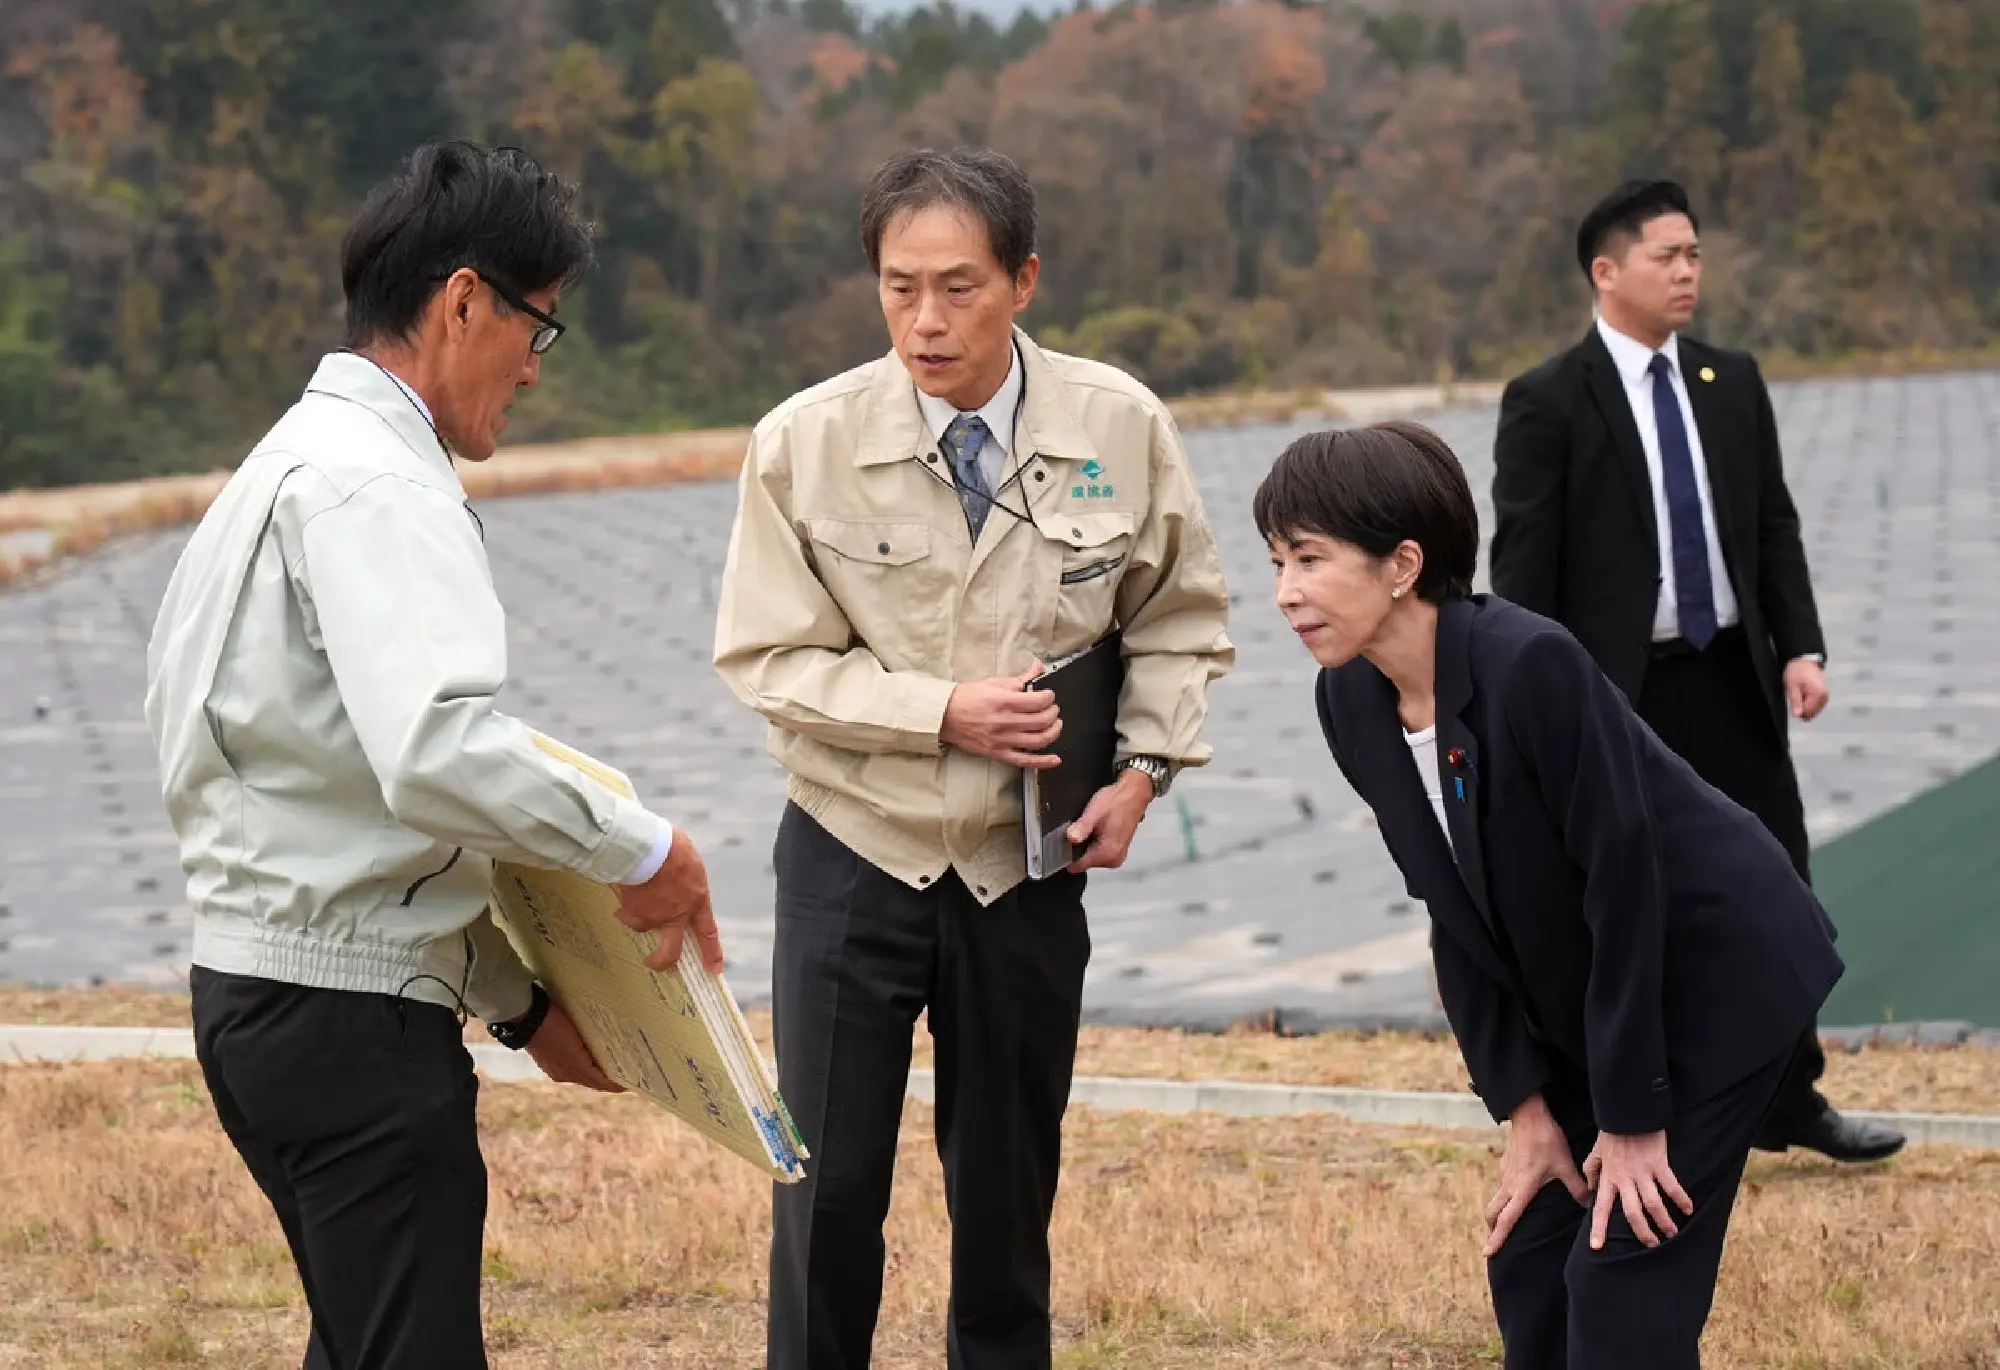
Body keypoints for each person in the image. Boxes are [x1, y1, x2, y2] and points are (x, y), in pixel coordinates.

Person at [143, 141, 723, 1370]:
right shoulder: (377, 486)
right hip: (349, 1035)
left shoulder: (277, 471)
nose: (533, 368)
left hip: (259, 996)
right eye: (538, 329)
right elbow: (433, 751)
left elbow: (342, 794)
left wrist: (517, 1004)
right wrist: (643, 845)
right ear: (464, 300)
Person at [713, 146, 1233, 1369]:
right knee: (827, 1190)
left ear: (1024, 279)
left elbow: (1177, 616)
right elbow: (767, 660)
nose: (925, 320)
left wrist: (1142, 775)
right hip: (854, 852)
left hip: (1028, 865)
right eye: (898, 288)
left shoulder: (1119, 425)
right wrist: (939, 710)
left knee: (1005, 1194)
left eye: (957, 286)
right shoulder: (802, 442)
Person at [1260, 420, 1844, 1369]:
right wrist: (1526, 1112)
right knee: (1531, 1253)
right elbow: (1453, 913)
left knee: (1620, 1276)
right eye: (1278, 561)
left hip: (1718, 977)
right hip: (1598, 1001)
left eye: (1312, 560)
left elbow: (1626, 887)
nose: (1286, 593)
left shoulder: (1531, 664)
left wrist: (1632, 1118)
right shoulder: (1351, 701)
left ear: (1402, 563)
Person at [1487, 179, 1902, 1164]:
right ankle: (1646, 1101)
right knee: (1631, 899)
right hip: (1616, 697)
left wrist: (1799, 644)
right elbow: (1521, 568)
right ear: (1604, 270)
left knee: (1772, 881)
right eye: (1665, 255)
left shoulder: (1730, 380)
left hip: (1731, 677)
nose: (1686, 272)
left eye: (1693, 254)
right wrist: (1534, 707)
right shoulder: (1547, 400)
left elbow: (1769, 526)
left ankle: (1787, 1099)